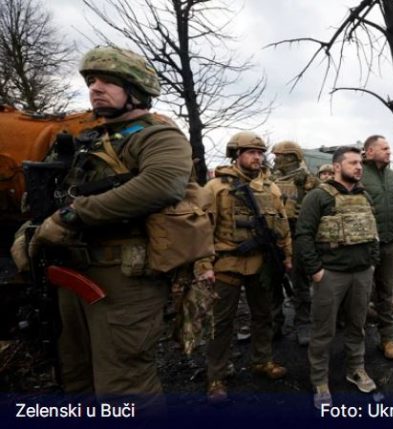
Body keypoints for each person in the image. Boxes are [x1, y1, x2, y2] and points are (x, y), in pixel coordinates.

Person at [26, 46, 195, 412]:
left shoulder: (157, 136)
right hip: (71, 274)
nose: (95, 88)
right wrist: (30, 232)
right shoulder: (88, 139)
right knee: (77, 379)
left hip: (124, 281)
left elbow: (161, 184)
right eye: (91, 81)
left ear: (136, 90)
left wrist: (72, 217)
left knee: (124, 386)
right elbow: (53, 198)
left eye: (108, 81)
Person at [204, 131, 292, 403]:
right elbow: (202, 228)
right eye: (251, 152)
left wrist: (287, 256)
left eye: (260, 152)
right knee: (221, 322)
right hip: (226, 263)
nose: (257, 157)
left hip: (261, 264)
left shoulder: (271, 188)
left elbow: (282, 225)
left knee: (263, 315)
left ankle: (261, 360)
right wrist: (204, 264)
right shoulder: (216, 187)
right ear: (236, 154)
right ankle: (217, 375)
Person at [294, 146, 380, 408]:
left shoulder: (365, 195)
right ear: (337, 167)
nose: (358, 167)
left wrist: (372, 262)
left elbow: (373, 231)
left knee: (357, 325)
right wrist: (316, 271)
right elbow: (303, 236)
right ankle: (320, 380)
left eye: (360, 163)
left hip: (362, 273)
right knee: (323, 330)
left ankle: (356, 369)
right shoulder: (318, 196)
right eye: (352, 163)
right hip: (331, 275)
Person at [361, 135, 393, 360]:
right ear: (369, 151)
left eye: (389, 148)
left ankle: (387, 339)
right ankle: (356, 338)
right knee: (360, 292)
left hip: (388, 245)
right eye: (384, 148)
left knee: (385, 292)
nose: (389, 151)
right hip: (363, 246)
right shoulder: (358, 175)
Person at [269, 140, 320, 345]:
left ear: (290, 157)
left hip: (297, 236)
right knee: (272, 283)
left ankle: (303, 323)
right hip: (274, 237)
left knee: (299, 283)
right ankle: (275, 323)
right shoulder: (269, 180)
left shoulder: (308, 181)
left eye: (278, 155)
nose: (275, 159)